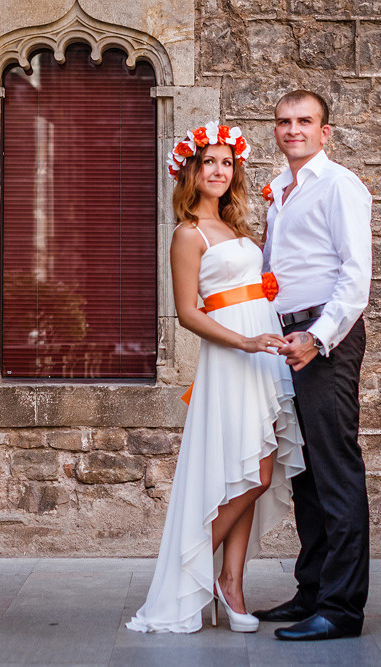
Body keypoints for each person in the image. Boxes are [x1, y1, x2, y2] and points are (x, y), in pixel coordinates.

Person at [126, 122, 305, 634]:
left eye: (227, 163)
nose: (220, 170)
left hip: (265, 354)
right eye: (210, 162)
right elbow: (187, 312)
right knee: (256, 474)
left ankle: (232, 584)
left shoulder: (238, 230)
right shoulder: (189, 234)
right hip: (233, 356)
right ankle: (190, 570)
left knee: (248, 470)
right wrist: (246, 341)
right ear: (192, 170)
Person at [253, 90, 373, 641]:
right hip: (286, 337)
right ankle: (312, 591)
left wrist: (318, 338)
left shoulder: (340, 185)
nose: (293, 129)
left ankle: (342, 609)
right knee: (303, 470)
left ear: (326, 131)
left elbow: (355, 276)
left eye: (305, 121)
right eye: (284, 122)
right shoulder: (278, 190)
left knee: (335, 467)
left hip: (326, 335)